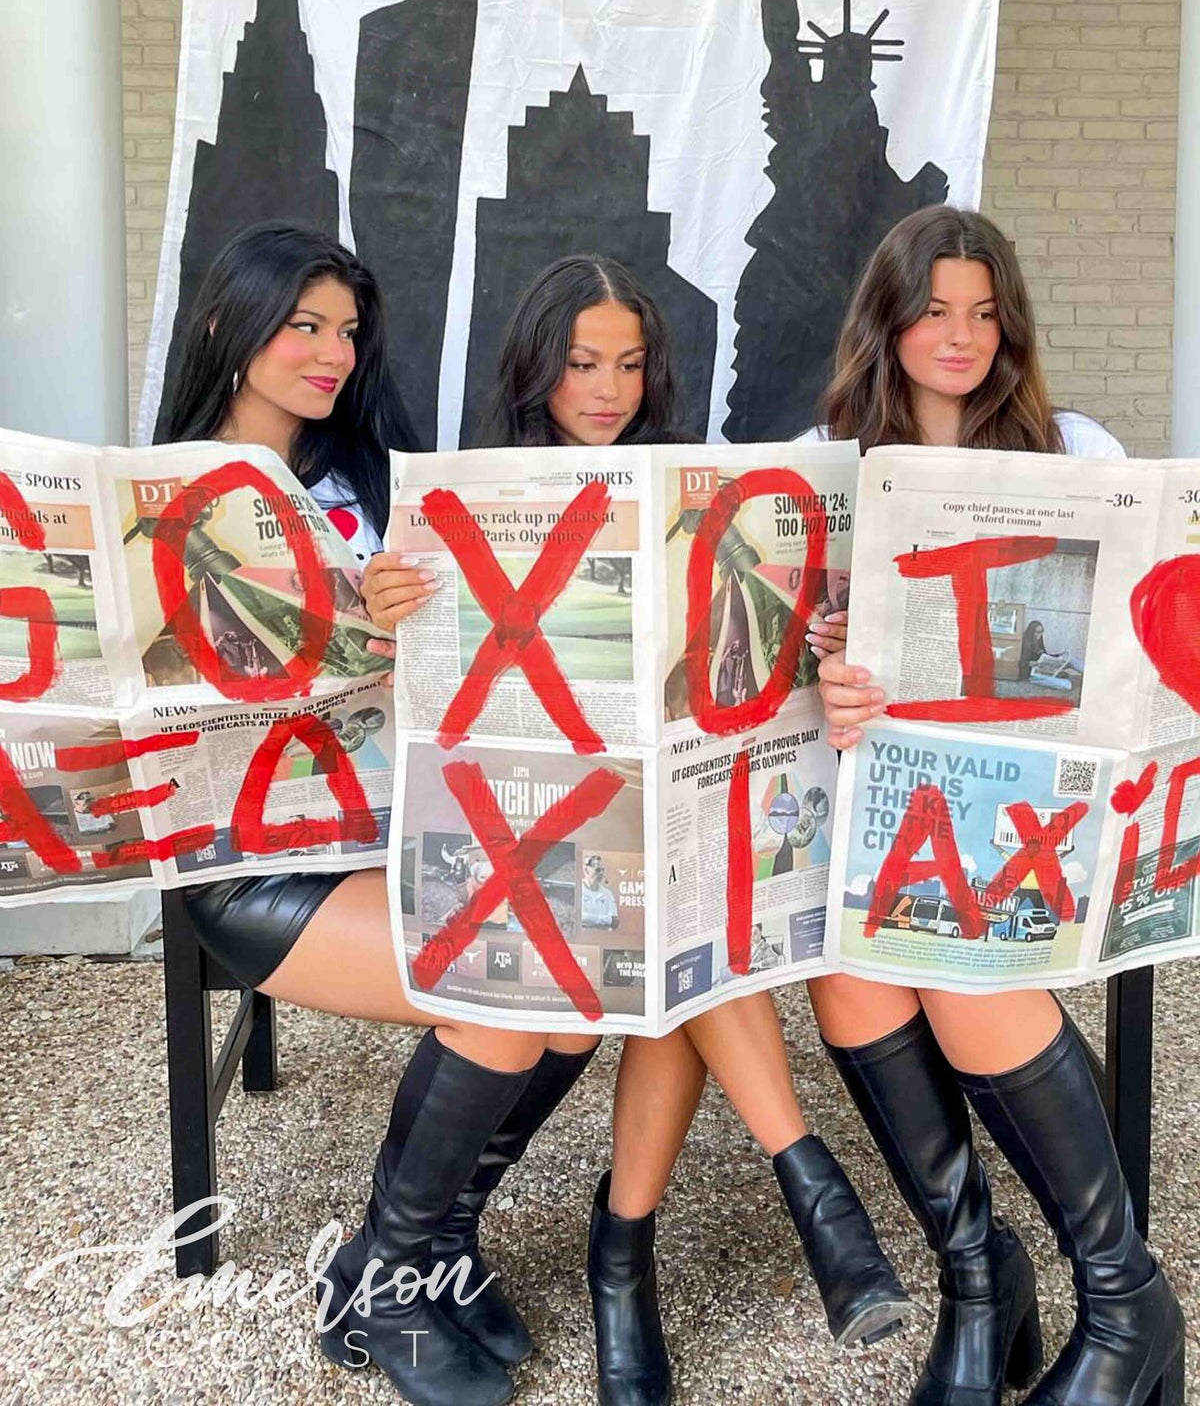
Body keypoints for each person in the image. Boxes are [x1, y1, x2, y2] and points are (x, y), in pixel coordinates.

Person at [365, 253, 910, 1406]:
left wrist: (814, 634)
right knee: (676, 920)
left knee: (681, 924)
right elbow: (410, 695)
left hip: (656, 814)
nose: (607, 390)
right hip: (519, 826)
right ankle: (780, 1201)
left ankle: (630, 1259)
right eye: (581, 364)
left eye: (628, 364)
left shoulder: (681, 490)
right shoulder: (467, 494)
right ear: (536, 367)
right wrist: (388, 609)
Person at [159, 224, 598, 1406]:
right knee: (508, 986)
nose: (331, 352)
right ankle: (392, 1283)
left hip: (392, 825)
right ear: (228, 325)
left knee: (581, 989)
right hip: (252, 861)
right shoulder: (167, 494)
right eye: (303, 325)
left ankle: (423, 1247)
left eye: (346, 331)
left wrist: (410, 625)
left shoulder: (369, 481)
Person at [803, 205, 1184, 1406]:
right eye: (933, 312)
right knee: (849, 973)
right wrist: (828, 670)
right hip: (894, 804)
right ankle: (980, 1279)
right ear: (888, 323)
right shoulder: (823, 459)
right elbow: (776, 679)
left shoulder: (1077, 448)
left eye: (984, 313)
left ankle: (1124, 1301)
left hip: (1044, 815)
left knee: (953, 960)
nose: (960, 337)